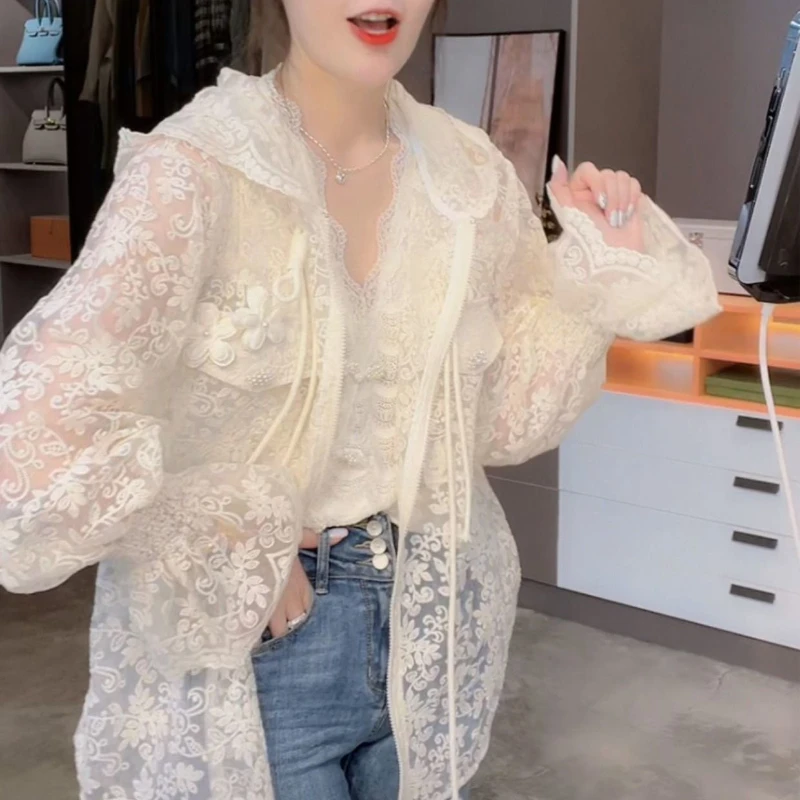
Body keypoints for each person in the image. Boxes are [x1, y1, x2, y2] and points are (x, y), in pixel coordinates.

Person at [0, 1, 721, 798]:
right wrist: (225, 536)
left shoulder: (469, 173)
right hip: (266, 650)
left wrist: (596, 275)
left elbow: (503, 420)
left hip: (432, 629)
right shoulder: (196, 170)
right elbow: (31, 443)